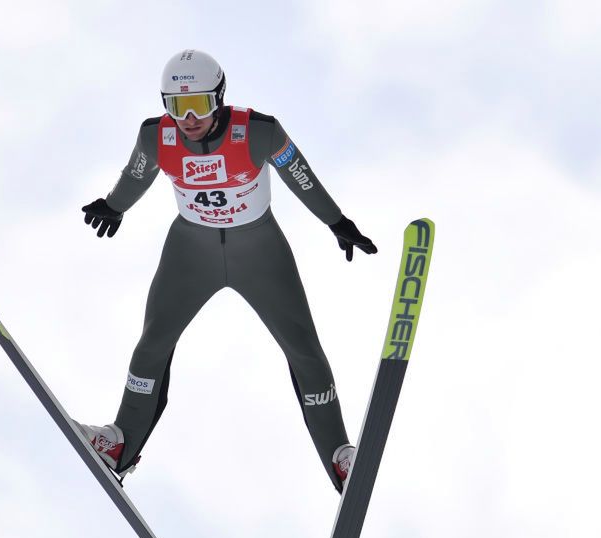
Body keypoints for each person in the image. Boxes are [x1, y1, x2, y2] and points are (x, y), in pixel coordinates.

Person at [77, 49, 377, 492]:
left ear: (219, 96)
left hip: (259, 251)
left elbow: (302, 177)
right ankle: (119, 445)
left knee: (304, 351)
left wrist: (337, 222)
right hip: (189, 251)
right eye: (177, 106)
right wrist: (114, 206)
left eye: (199, 103)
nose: (189, 117)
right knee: (151, 346)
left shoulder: (258, 131)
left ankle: (339, 456)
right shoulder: (155, 136)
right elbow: (138, 175)